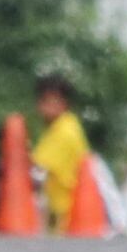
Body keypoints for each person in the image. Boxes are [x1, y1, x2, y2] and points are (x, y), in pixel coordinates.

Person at [24, 78, 94, 241]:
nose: (41, 107)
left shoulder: (63, 132)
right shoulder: (66, 126)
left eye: (47, 101)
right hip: (66, 212)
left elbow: (36, 168)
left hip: (65, 215)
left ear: (63, 102)